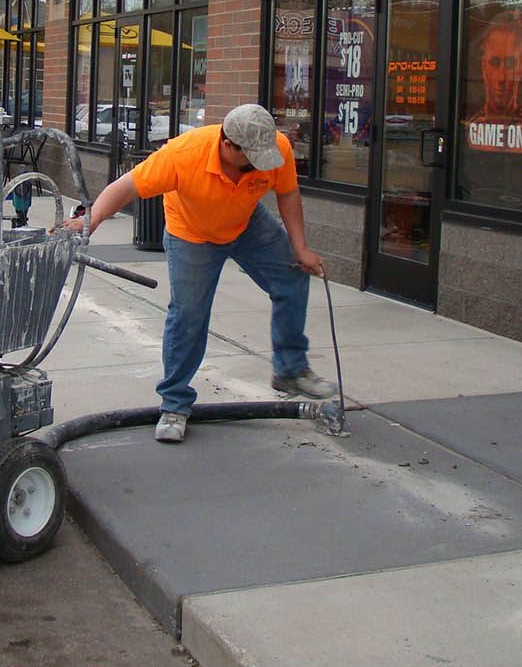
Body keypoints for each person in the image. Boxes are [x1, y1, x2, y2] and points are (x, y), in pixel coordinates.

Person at [62, 103, 336, 444]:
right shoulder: (183, 154)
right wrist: (90, 221)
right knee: (188, 314)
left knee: (293, 278)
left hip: (245, 222)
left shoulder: (275, 147)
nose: (256, 166)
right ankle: (174, 403)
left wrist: (300, 248)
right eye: (249, 158)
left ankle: (290, 370)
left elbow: (288, 193)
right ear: (227, 144)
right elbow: (125, 187)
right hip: (191, 232)